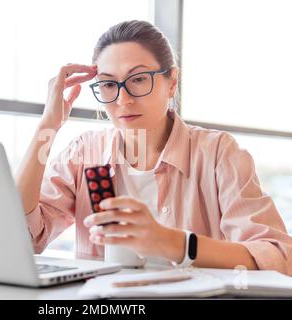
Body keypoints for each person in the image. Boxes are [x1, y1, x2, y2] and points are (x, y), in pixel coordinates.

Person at [16, 20, 292, 275]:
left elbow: (278, 255)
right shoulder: (85, 151)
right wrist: (47, 126)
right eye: (109, 84)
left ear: (171, 82)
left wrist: (172, 242)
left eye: (138, 79)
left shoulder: (218, 153)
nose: (123, 100)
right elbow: (24, 237)